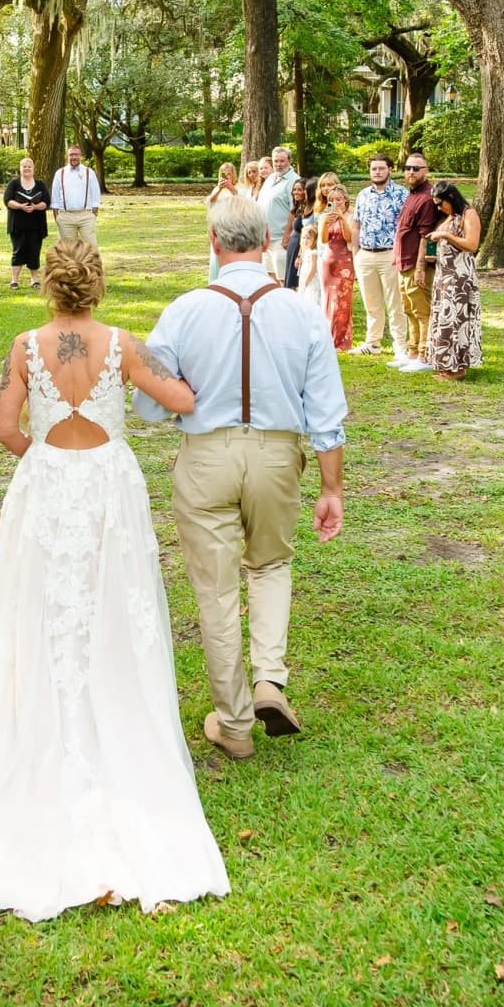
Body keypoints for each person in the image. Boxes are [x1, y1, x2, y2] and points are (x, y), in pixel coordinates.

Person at [0, 239, 225, 921]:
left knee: (45, 611)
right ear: (97, 285)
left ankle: (45, 737)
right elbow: (182, 398)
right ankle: (119, 718)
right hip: (109, 488)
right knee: (115, 608)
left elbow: (5, 428)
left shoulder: (25, 347)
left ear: (48, 286)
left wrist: (43, 459)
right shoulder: (122, 345)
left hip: (49, 488)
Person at [134, 197, 348, 760]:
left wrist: (188, 395)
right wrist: (332, 489)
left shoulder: (185, 310)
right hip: (278, 455)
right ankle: (269, 680)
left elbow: (148, 404)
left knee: (216, 588)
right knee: (271, 564)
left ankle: (234, 723)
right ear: (267, 240)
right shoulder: (302, 311)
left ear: (214, 242)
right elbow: (327, 415)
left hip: (207, 456)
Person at [426, 180, 484, 379]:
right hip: (445, 276)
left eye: (440, 203)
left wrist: (445, 235)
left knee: (457, 320)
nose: (438, 208)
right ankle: (447, 364)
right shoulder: (451, 217)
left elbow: (471, 244)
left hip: (459, 277)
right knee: (445, 320)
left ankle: (458, 367)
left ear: (450, 197)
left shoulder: (469, 214)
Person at [352, 154, 407, 360]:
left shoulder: (401, 194)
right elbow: (356, 225)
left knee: (395, 303)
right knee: (371, 303)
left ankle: (400, 344)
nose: (377, 172)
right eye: (373, 169)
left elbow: (405, 227)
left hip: (389, 254)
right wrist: (356, 253)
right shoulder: (363, 195)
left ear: (390, 170)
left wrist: (400, 254)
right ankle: (373, 342)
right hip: (366, 255)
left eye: (381, 168)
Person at [391, 152, 437, 374]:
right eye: (408, 168)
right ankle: (411, 352)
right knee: (408, 309)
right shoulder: (412, 194)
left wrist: (420, 268)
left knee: (422, 311)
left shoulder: (427, 198)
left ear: (426, 170)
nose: (411, 172)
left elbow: (426, 236)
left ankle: (424, 355)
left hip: (415, 264)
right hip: (402, 262)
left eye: (416, 168)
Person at [319, 184, 358, 351]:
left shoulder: (351, 216)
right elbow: (323, 239)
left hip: (345, 262)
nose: (335, 203)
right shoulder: (325, 217)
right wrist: (324, 224)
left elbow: (349, 237)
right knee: (328, 299)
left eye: (339, 199)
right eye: (332, 200)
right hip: (328, 260)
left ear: (345, 200)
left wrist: (342, 218)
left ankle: (341, 340)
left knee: (342, 301)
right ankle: (328, 336)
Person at [3, 157, 50, 288]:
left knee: (34, 251)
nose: (27, 168)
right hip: (18, 225)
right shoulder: (14, 184)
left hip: (36, 225)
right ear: (20, 169)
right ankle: (14, 280)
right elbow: (7, 201)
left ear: (33, 169)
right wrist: (20, 206)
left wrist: (35, 207)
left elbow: (47, 202)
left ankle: (34, 280)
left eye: (29, 166)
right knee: (18, 251)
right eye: (24, 166)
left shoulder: (40, 184)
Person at [257, 145, 299, 279]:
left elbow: (295, 209)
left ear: (289, 161)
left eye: (282, 161)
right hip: (265, 237)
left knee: (283, 279)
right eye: (276, 161)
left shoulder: (294, 180)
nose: (278, 164)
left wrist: (287, 235)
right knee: (269, 277)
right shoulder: (271, 178)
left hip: (281, 240)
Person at [49, 143, 102, 246]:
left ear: (80, 155)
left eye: (76, 154)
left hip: (85, 215)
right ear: (67, 156)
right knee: (69, 250)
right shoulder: (60, 173)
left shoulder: (89, 172)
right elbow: (55, 197)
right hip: (65, 216)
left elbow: (95, 194)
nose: (74, 157)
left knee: (90, 248)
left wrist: (93, 214)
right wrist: (57, 217)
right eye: (71, 155)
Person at [204, 162, 240, 278]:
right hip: (218, 227)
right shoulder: (217, 189)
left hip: (232, 227)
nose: (226, 176)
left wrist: (231, 188)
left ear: (233, 175)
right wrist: (219, 189)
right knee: (217, 257)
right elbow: (210, 202)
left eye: (229, 174)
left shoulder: (238, 188)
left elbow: (241, 202)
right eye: (223, 174)